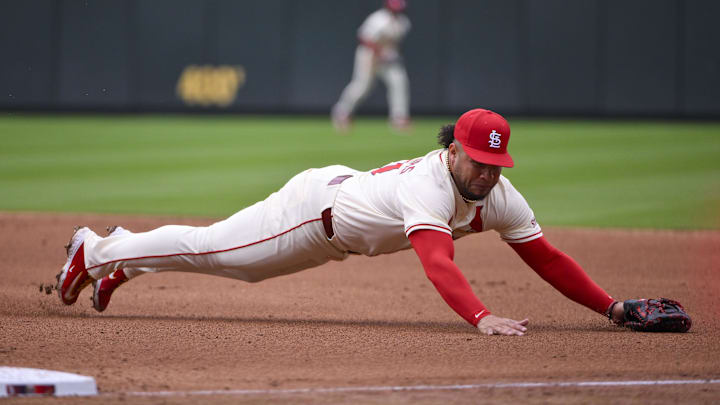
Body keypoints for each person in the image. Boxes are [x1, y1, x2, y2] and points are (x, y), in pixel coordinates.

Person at [56, 108, 683, 336]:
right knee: (219, 253)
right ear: (454, 150)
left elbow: (545, 256)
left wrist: (614, 309)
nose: (490, 173)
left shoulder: (498, 192)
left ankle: (121, 260)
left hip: (338, 213)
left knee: (227, 261)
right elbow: (438, 262)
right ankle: (97, 250)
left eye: (498, 162)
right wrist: (481, 316)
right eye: (481, 160)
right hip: (311, 215)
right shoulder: (429, 186)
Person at [331, 0, 411, 132]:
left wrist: (389, 53)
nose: (396, 10)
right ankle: (342, 112)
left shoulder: (403, 22)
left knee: (399, 82)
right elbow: (364, 38)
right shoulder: (378, 19)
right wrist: (381, 53)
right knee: (362, 86)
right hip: (369, 55)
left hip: (387, 57)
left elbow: (393, 42)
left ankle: (399, 118)